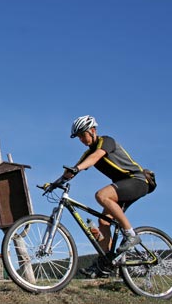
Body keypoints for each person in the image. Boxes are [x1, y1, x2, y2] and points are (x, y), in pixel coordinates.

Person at [63, 115, 150, 278]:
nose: (81, 139)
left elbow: (95, 157)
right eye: (79, 137)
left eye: (83, 134)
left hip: (137, 180)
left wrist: (78, 169)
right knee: (103, 222)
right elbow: (73, 170)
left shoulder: (106, 141)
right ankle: (107, 263)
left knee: (102, 195)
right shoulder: (87, 153)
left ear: (93, 130)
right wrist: (55, 182)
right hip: (123, 187)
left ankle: (131, 234)